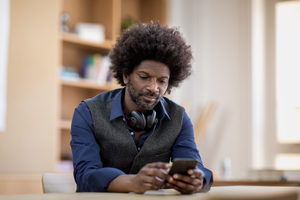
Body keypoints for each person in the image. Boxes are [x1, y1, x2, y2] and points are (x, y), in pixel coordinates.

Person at [70, 22, 213, 194]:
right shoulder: (88, 112)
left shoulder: (179, 118)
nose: (154, 88)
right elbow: (86, 175)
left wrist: (197, 180)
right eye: (144, 77)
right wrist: (132, 182)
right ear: (126, 75)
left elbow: (197, 168)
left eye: (162, 81)